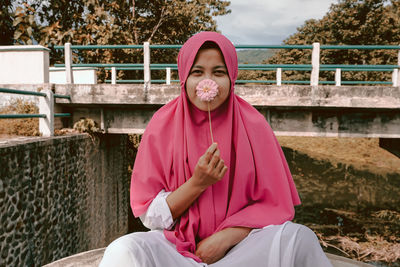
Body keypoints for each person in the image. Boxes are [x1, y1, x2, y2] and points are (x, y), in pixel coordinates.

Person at [99, 32, 333, 267]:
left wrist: (225, 238)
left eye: (218, 73)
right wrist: (198, 183)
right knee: (123, 251)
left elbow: (275, 205)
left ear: (232, 77)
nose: (206, 83)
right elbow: (149, 216)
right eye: (197, 72)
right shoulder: (161, 126)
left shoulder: (254, 125)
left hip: (241, 248)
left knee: (299, 239)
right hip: (175, 248)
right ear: (184, 77)